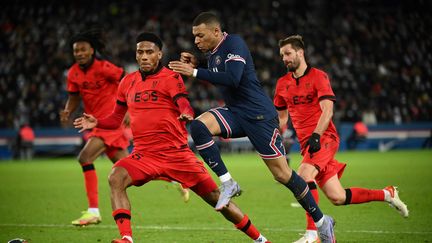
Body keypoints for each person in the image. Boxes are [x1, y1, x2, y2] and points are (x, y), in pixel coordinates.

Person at [74, 32, 271, 243]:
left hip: (177, 155)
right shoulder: (127, 82)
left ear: (159, 54)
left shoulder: (170, 76)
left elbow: (182, 101)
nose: (144, 56)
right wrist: (98, 122)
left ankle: (260, 240)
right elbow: (115, 119)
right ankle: (126, 237)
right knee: (116, 177)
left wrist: (186, 112)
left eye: (149, 52)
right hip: (145, 155)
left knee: (216, 199)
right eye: (140, 52)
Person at [168, 11, 335, 243]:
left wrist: (195, 72)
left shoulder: (234, 42)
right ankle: (228, 182)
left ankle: (321, 221)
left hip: (259, 116)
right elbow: (219, 69)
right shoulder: (215, 53)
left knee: (283, 175)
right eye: (194, 36)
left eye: (200, 35)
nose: (195, 41)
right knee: (198, 126)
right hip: (236, 112)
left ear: (216, 32)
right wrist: (200, 63)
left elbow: (234, 78)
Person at [273, 35, 409, 243]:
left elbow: (328, 110)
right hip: (306, 145)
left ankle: (314, 234)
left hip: (324, 137)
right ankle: (387, 194)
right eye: (282, 55)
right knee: (338, 197)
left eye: (288, 53)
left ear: (301, 52)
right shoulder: (282, 84)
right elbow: (282, 118)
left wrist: (317, 135)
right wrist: (274, 135)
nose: (284, 58)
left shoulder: (319, 76)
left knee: (303, 175)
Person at [60, 29, 131, 226]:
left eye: (83, 49)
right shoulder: (73, 73)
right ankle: (175, 181)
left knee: (84, 157)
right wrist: (67, 110)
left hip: (110, 122)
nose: (79, 53)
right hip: (95, 123)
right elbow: (74, 97)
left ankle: (93, 211)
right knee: (132, 168)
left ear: (92, 50)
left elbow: (127, 81)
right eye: (76, 51)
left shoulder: (104, 67)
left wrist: (127, 110)